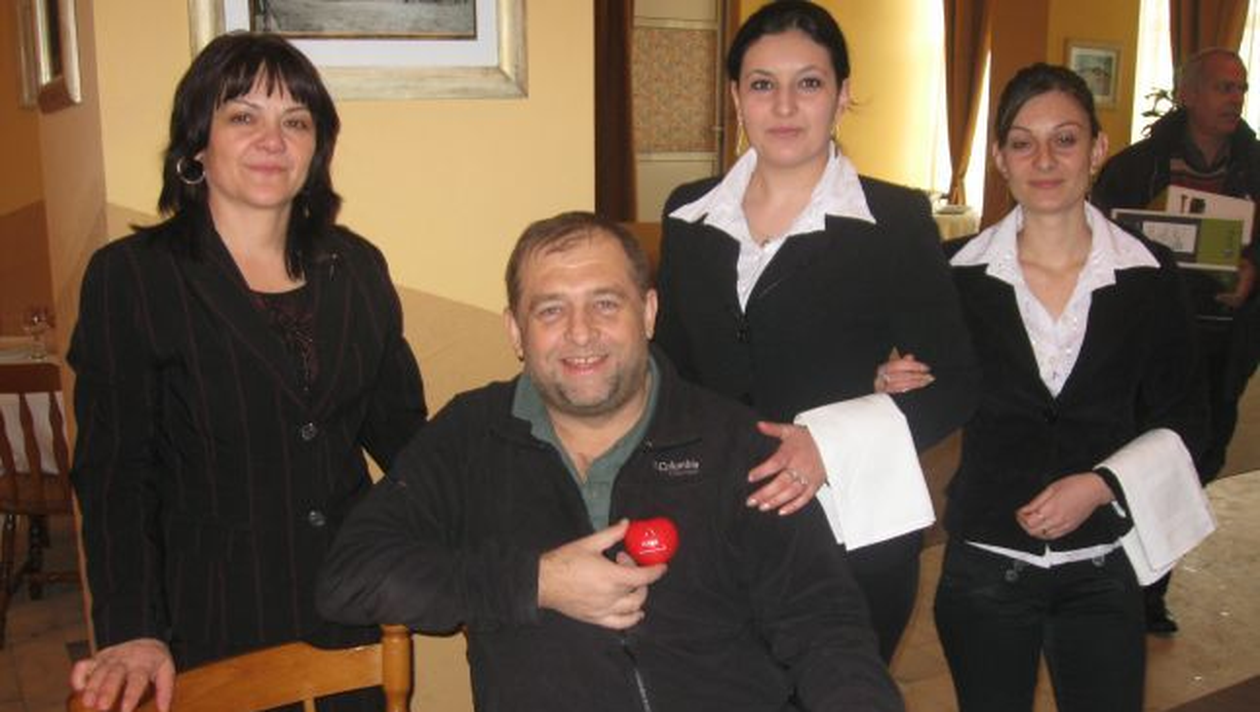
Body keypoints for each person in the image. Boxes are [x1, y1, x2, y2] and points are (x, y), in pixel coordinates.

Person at [316, 212, 903, 712]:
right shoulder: (470, 436)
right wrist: (537, 582)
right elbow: (351, 579)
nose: (581, 333)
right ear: (515, 330)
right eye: (551, 310)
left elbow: (825, 627)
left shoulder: (735, 443)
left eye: (605, 303)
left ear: (648, 312)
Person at [67, 33, 427, 712]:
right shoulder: (133, 277)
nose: (273, 140)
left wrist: (494, 522)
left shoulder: (357, 267)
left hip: (350, 606)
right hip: (213, 617)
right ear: (197, 144)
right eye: (243, 116)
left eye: (296, 121)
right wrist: (132, 628)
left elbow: (405, 436)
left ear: (317, 148)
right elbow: (115, 473)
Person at [653, 0, 979, 661]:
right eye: (762, 84)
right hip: (718, 532)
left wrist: (831, 441)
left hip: (847, 533)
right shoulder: (688, 214)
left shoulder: (893, 220)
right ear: (735, 96)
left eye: (808, 83)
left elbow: (955, 382)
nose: (784, 106)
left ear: (842, 94)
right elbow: (670, 369)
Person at [882, 63, 1209, 712]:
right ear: (1000, 158)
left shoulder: (1149, 275)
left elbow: (1188, 421)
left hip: (1103, 568)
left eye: (1065, 139)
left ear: (1097, 148)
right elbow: (924, 394)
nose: (1045, 159)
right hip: (984, 568)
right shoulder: (954, 276)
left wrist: (1101, 484)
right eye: (1023, 142)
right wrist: (888, 380)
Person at [1092, 47, 1259, 634]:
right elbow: (1097, 238)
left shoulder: (1256, 168)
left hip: (1222, 348)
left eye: (1241, 87)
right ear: (1187, 94)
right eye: (1222, 87)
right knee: (1134, 458)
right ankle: (1116, 578)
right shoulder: (1135, 168)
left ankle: (1150, 585)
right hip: (1147, 347)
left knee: (1196, 460)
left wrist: (1253, 270)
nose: (1235, 98)